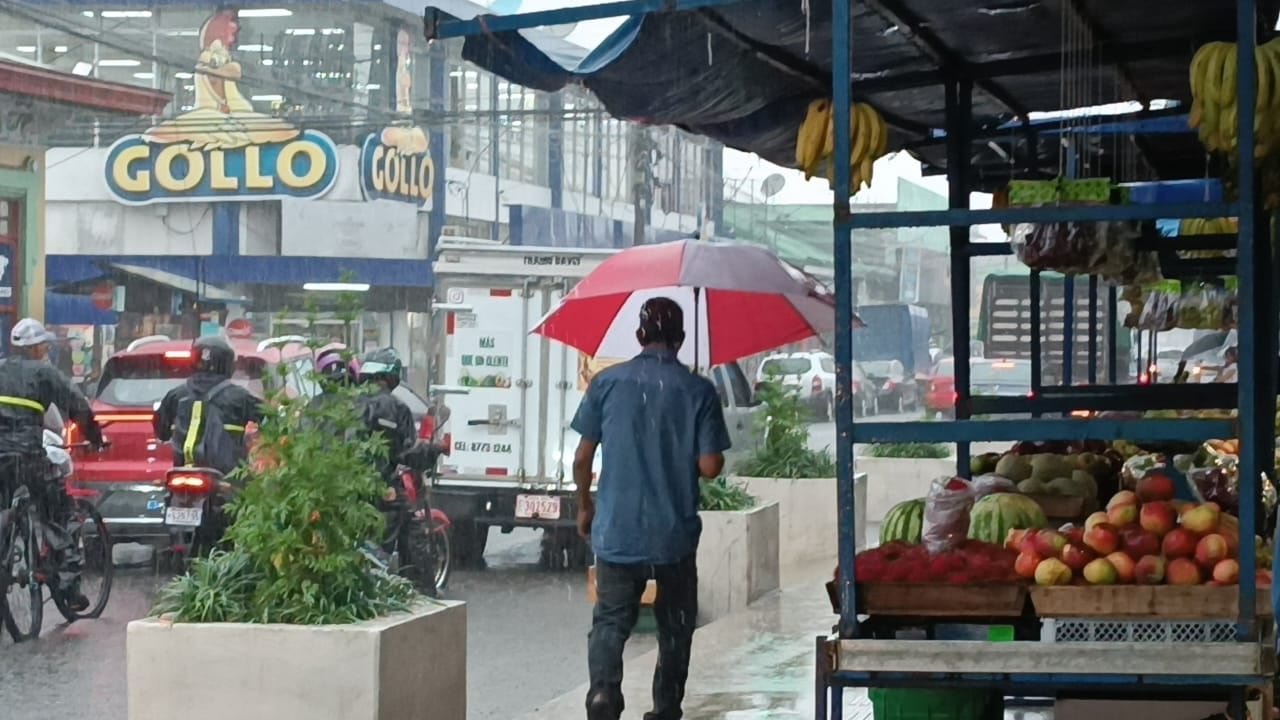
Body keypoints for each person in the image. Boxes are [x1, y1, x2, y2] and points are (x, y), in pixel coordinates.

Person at [571, 297, 731, 720]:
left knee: (610, 620)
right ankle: (665, 709)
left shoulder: (607, 384)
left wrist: (585, 505)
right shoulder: (698, 390)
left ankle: (604, 693)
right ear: (680, 339)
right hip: (673, 534)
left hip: (617, 529)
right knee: (675, 626)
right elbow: (710, 467)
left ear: (640, 336)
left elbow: (582, 458)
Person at [1, 318, 105, 611]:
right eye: (43, 345)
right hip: (28, 456)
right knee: (58, 515)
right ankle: (69, 590)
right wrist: (95, 437)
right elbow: (77, 405)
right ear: (37, 348)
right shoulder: (44, 374)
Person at [358, 347, 438, 595]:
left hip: (342, 486)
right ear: (392, 376)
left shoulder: (345, 402)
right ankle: (420, 593)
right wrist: (433, 450)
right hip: (381, 488)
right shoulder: (395, 407)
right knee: (412, 534)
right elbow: (407, 453)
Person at [154, 335, 263, 474]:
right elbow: (269, 421)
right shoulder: (239, 397)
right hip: (227, 474)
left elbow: (161, 430)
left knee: (168, 494)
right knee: (247, 491)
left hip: (181, 469)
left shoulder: (176, 395)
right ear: (228, 364)